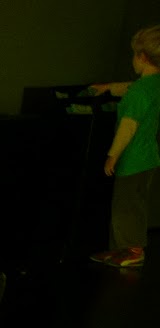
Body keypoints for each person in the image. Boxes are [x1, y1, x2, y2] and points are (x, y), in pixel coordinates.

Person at [87, 25, 160, 269]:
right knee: (135, 203)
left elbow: (127, 127)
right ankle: (121, 249)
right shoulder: (154, 84)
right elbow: (131, 87)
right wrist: (109, 87)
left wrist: (112, 156)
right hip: (149, 158)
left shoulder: (140, 92)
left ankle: (132, 251)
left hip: (133, 160)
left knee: (125, 207)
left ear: (142, 57)